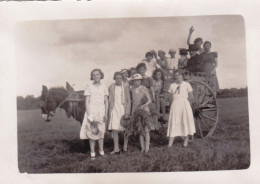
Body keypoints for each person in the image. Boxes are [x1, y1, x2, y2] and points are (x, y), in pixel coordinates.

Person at [80, 69, 109, 160]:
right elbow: (87, 101)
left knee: (101, 132)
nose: (96, 76)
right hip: (91, 110)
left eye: (97, 74)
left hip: (101, 111)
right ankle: (92, 153)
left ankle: (101, 151)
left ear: (101, 75)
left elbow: (106, 101)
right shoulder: (89, 86)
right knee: (91, 132)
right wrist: (89, 115)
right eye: (94, 75)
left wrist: (106, 113)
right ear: (92, 77)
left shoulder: (104, 86)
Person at [167, 70, 196, 147]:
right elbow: (170, 97)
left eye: (179, 75)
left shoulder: (187, 84)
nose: (177, 76)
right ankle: (170, 143)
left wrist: (185, 104)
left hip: (184, 105)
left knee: (185, 121)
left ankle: (185, 142)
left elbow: (191, 96)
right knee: (174, 122)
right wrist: (172, 105)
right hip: (175, 105)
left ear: (182, 76)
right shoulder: (172, 85)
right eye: (176, 75)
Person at [108, 72, 131, 154]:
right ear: (114, 78)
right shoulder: (112, 87)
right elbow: (109, 99)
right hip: (114, 109)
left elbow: (128, 100)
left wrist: (127, 112)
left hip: (123, 109)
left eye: (120, 78)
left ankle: (125, 146)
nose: (118, 80)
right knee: (114, 129)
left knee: (125, 129)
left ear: (122, 79)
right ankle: (116, 148)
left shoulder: (125, 87)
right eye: (117, 78)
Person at [129, 73, 153, 153]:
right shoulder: (132, 89)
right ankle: (142, 147)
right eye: (135, 81)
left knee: (146, 129)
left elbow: (149, 100)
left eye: (138, 81)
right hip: (136, 111)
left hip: (144, 110)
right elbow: (132, 101)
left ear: (141, 81)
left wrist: (143, 105)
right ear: (133, 82)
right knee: (140, 129)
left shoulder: (144, 88)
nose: (137, 82)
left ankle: (147, 148)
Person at [136, 63, 158, 130]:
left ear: (145, 70)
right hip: (140, 98)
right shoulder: (137, 79)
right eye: (139, 70)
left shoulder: (149, 78)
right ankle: (144, 128)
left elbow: (151, 88)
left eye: (142, 69)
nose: (141, 71)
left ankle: (155, 128)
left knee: (153, 112)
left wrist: (153, 96)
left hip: (148, 96)